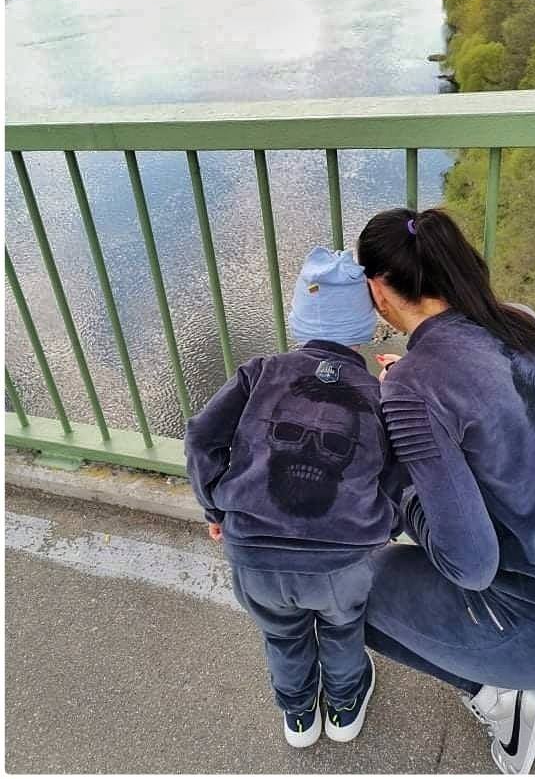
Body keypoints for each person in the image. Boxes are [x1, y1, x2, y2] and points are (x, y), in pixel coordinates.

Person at [356, 207, 535, 775]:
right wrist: (413, 387)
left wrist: (402, 481)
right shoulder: (519, 321)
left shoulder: (414, 387)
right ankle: (511, 679)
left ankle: (504, 700)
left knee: (342, 590)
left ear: (378, 289)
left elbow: (469, 565)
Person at [185, 246, 405, 749]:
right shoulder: (378, 395)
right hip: (341, 560)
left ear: (300, 316)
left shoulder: (259, 373)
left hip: (254, 555)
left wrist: (216, 507)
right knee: (343, 630)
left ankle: (299, 716)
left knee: (282, 635)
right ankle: (344, 707)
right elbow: (399, 469)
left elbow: (201, 438)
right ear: (366, 323)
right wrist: (383, 524)